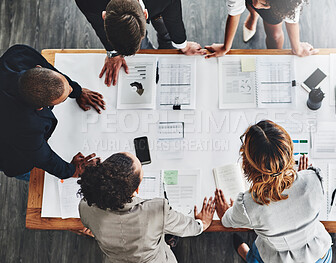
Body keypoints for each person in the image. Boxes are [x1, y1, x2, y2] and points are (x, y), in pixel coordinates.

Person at [214, 120, 332, 263]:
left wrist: (225, 214)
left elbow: (227, 222)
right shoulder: (314, 179)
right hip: (317, 255)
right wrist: (300, 179)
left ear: (247, 165)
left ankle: (248, 256)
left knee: (256, 257)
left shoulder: (248, 205)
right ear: (288, 154)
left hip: (276, 258)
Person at [78, 152, 215, 262]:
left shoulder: (85, 207)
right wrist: (202, 224)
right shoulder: (157, 210)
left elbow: (88, 225)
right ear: (137, 189)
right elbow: (187, 228)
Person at [0, 45, 104, 181]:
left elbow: (49, 72)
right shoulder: (27, 126)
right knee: (36, 178)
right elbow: (43, 157)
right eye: (62, 100)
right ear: (40, 108)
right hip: (11, 152)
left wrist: (77, 91)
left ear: (38, 69)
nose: (70, 89)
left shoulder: (17, 55)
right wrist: (72, 170)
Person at [75, 0, 206, 87]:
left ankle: (166, 41)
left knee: (166, 30)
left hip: (160, 6)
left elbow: (174, 16)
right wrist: (114, 53)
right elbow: (97, 23)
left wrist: (181, 45)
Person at [205, 0, 318, 59]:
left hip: (276, 6)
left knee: (274, 35)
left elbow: (292, 20)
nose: (256, 4)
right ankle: (253, 16)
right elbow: (234, 13)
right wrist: (226, 47)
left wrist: (297, 48)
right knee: (251, 4)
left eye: (264, 4)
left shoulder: (288, 2)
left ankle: (273, 56)